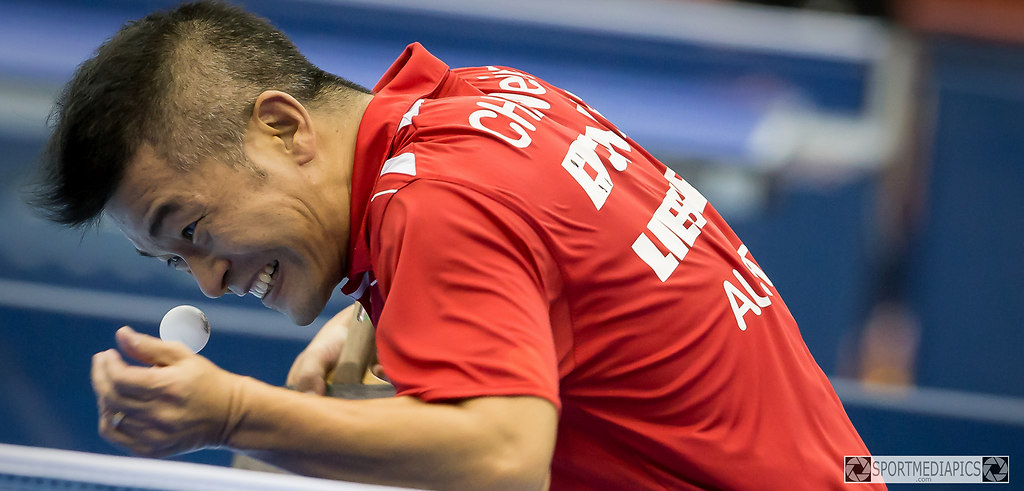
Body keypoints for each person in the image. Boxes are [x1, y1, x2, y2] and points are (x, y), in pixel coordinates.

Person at [31, 2, 883, 489]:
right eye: (177, 262)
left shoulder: (436, 209)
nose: (211, 281)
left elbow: (502, 457)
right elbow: (550, 266)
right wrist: (376, 310)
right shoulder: (477, 101)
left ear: (283, 126)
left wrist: (232, 414)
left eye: (193, 230)